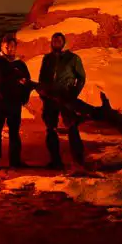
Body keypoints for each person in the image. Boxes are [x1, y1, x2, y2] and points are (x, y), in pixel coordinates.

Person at [38, 32, 87, 169]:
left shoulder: (73, 58)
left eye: (59, 40)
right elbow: (42, 78)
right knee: (50, 128)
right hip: (50, 99)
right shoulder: (47, 59)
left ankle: (78, 160)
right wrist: (43, 94)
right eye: (54, 40)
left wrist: (73, 94)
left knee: (72, 126)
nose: (56, 42)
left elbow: (81, 78)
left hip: (66, 97)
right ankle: (55, 161)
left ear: (63, 42)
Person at [0, 33, 31, 169]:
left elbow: (27, 82)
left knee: (14, 132)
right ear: (2, 47)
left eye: (12, 47)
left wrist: (24, 97)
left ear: (15, 48)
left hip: (15, 103)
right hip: (1, 103)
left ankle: (15, 161)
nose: (10, 49)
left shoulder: (20, 64)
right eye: (7, 47)